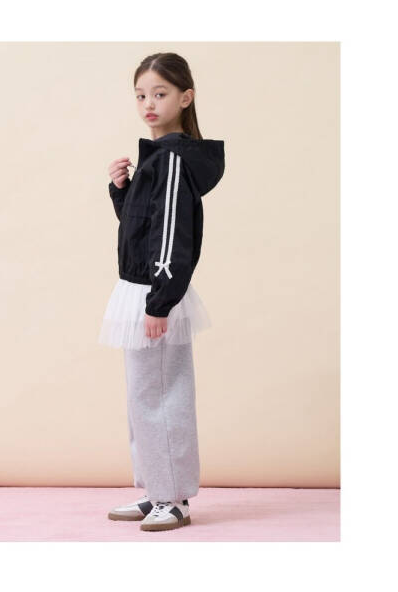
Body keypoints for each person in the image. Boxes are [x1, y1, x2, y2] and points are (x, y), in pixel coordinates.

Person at [98, 52, 225, 532]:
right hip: (140, 290)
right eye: (140, 95)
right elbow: (144, 228)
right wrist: (122, 191)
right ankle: (157, 490)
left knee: (164, 394)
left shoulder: (171, 159)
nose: (148, 104)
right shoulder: (158, 158)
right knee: (144, 395)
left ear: (185, 98)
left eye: (160, 93)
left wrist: (160, 301)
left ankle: (174, 498)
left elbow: (172, 237)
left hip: (155, 294)